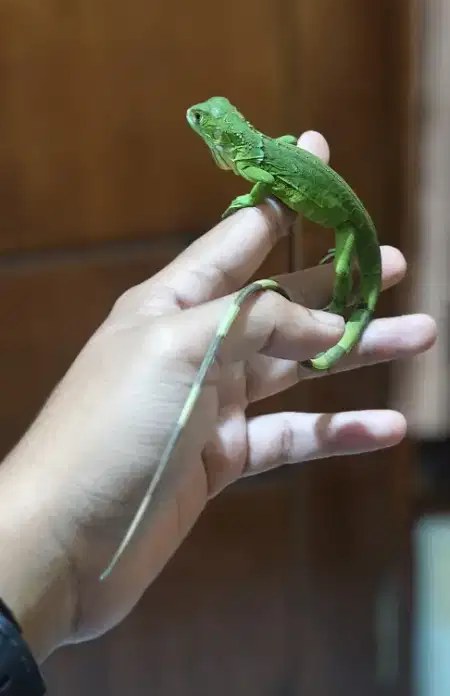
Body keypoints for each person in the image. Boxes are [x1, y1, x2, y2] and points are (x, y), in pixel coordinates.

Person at [0, 131, 436, 672]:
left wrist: (57, 562)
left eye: (208, 123)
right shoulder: (258, 156)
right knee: (341, 301)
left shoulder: (260, 165)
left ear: (226, 135)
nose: (199, 124)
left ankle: (348, 311)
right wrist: (58, 554)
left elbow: (269, 184)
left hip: (352, 232)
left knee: (354, 284)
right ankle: (344, 318)